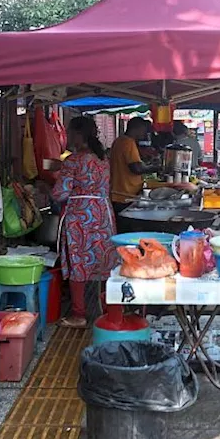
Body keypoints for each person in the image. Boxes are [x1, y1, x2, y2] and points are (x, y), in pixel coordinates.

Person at [52, 117, 117, 328]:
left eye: (70, 132)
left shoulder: (73, 160)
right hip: (103, 213)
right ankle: (110, 312)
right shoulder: (103, 158)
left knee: (78, 263)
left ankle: (79, 315)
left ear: (78, 134)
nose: (68, 137)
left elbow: (60, 193)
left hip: (80, 218)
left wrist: (48, 187)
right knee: (105, 263)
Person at [110, 117, 152, 228]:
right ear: (137, 128)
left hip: (118, 192)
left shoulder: (118, 140)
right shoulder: (128, 142)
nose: (144, 134)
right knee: (127, 228)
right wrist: (155, 168)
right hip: (125, 194)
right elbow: (136, 168)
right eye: (143, 131)